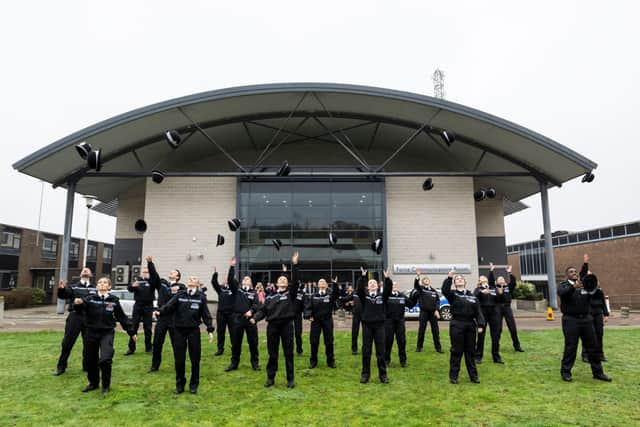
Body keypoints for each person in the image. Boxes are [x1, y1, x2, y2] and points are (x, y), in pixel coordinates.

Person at [73, 276, 135, 394]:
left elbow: (122, 317)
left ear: (109, 286)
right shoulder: (89, 299)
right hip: (90, 332)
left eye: (105, 282)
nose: (102, 284)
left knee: (105, 359)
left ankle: (105, 386)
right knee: (90, 360)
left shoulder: (113, 300)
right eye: (100, 282)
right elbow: (79, 309)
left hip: (106, 333)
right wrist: (78, 303)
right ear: (97, 286)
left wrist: (131, 332)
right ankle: (93, 383)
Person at [155, 276, 215, 394]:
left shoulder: (201, 297)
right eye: (190, 278)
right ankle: (180, 385)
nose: (191, 280)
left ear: (198, 284)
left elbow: (206, 315)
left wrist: (210, 330)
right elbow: (169, 306)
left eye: (194, 279)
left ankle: (194, 384)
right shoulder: (180, 294)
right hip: (179, 330)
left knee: (195, 359)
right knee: (179, 359)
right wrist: (160, 311)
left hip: (193, 331)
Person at [251, 252, 300, 388]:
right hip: (272, 326)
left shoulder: (290, 294)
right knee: (272, 354)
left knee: (288, 353)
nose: (283, 281)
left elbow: (295, 282)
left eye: (285, 280)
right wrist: (255, 319)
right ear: (277, 283)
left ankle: (290, 379)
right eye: (281, 280)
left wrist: (294, 265)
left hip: (287, 326)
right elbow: (263, 310)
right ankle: (270, 378)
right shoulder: (270, 297)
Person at [558, 265, 611, 383]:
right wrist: (573, 287)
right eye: (571, 272)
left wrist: (595, 286)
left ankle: (598, 373)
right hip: (570, 320)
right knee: (571, 347)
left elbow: (597, 295)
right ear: (567, 275)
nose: (574, 273)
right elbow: (563, 293)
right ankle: (566, 372)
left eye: (575, 271)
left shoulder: (584, 286)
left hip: (586, 320)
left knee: (593, 347)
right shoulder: (564, 285)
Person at [442, 270, 485, 384]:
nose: (459, 279)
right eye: (457, 279)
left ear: (465, 282)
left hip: (470, 325)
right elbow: (444, 290)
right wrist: (449, 278)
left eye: (461, 278)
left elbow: (478, 311)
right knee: (456, 350)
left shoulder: (472, 296)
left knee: (470, 351)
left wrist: (481, 325)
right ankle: (454, 376)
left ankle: (473, 376)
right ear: (455, 283)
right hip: (457, 324)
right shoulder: (453, 294)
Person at [54, 267, 96, 376]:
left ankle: (87, 366)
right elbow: (63, 295)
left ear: (91, 274)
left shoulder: (94, 288)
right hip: (75, 317)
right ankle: (61, 367)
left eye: (88, 270)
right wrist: (62, 289)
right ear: (81, 274)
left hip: (89, 318)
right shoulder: (74, 287)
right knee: (67, 342)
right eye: (84, 270)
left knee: (88, 344)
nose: (85, 271)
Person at [357, 266, 392, 384]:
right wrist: (363, 277)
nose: (372, 284)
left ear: (378, 286)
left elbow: (388, 290)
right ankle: (365, 375)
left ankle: (383, 375)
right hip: (367, 326)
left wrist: (387, 278)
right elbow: (359, 290)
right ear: (368, 286)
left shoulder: (382, 296)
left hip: (380, 327)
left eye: (374, 283)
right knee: (366, 351)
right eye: (370, 282)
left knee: (380, 352)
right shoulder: (364, 296)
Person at [149, 260, 185, 372]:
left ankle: (178, 365)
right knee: (157, 343)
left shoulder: (181, 287)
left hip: (174, 318)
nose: (171, 272)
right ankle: (155, 366)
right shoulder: (162, 283)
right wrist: (151, 264)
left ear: (178, 276)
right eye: (170, 271)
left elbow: (181, 301)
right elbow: (154, 276)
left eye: (174, 272)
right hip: (162, 318)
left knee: (176, 344)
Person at [225, 256, 260, 372]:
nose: (246, 280)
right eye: (244, 279)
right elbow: (230, 280)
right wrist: (232, 266)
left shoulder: (254, 293)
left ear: (251, 283)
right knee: (236, 343)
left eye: (248, 279)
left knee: (253, 342)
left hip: (250, 320)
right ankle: (234, 363)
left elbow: (256, 305)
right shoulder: (237, 290)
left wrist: (251, 311)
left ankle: (255, 363)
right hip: (237, 319)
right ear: (241, 282)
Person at [304, 276, 339, 369]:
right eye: (320, 282)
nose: (322, 283)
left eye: (324, 282)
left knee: (329, 341)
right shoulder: (313, 296)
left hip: (327, 321)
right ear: (318, 285)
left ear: (327, 285)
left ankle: (331, 361)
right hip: (316, 321)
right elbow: (308, 307)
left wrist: (335, 284)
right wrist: (309, 315)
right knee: (314, 342)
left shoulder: (330, 295)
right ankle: (313, 361)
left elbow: (336, 295)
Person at [579, 254, 609, 363]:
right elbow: (582, 275)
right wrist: (585, 263)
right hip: (588, 314)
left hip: (598, 314)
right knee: (587, 334)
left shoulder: (599, 291)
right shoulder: (586, 290)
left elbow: (603, 303)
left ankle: (600, 354)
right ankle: (585, 355)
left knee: (599, 334)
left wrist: (606, 314)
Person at [474, 263, 504, 364]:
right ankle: (478, 356)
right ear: (479, 281)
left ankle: (496, 357)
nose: (483, 279)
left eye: (484, 278)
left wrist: (500, 294)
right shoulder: (478, 289)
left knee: (495, 335)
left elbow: (499, 300)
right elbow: (474, 298)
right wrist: (481, 293)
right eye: (481, 278)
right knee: (481, 335)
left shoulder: (493, 288)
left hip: (494, 313)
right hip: (482, 313)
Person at [125, 261, 155, 355]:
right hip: (138, 305)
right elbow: (129, 289)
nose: (145, 273)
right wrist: (132, 286)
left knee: (148, 328)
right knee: (134, 327)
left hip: (148, 306)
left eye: (147, 272)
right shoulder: (137, 280)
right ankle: (131, 348)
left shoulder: (153, 281)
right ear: (141, 273)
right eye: (144, 272)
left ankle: (149, 348)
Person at [493, 264, 524, 353]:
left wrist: (509, 272)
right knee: (498, 329)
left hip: (507, 308)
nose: (501, 280)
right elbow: (496, 299)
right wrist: (500, 293)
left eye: (502, 279)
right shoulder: (494, 289)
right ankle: (496, 347)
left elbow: (513, 282)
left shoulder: (508, 288)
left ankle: (517, 346)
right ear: (496, 282)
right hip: (498, 309)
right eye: (499, 280)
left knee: (512, 328)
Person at [384, 281, 414, 368]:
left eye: (396, 285)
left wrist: (415, 295)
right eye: (392, 285)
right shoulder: (386, 296)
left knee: (401, 342)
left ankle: (403, 361)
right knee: (388, 342)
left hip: (400, 322)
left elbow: (411, 304)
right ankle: (386, 360)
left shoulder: (402, 296)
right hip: (389, 322)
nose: (394, 286)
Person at [412, 269, 443, 353]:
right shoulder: (421, 289)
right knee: (422, 330)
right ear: (422, 282)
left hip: (433, 313)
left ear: (429, 281)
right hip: (424, 312)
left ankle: (438, 348)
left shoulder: (433, 291)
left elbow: (438, 301)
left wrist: (436, 310)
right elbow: (416, 285)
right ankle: (419, 347)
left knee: (435, 330)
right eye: (424, 280)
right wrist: (418, 276)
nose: (426, 280)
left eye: (427, 279)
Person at [211, 266, 235, 356]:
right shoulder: (220, 288)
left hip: (232, 314)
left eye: (228, 278)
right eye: (225, 279)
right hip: (221, 313)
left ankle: (234, 348)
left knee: (233, 331)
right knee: (220, 331)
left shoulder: (234, 289)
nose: (226, 280)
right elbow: (214, 283)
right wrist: (215, 274)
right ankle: (220, 349)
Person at [340, 285, 361, 355]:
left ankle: (366, 349)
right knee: (354, 333)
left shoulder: (366, 293)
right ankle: (354, 349)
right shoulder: (354, 294)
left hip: (365, 316)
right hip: (356, 315)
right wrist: (339, 297)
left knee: (367, 334)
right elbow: (346, 298)